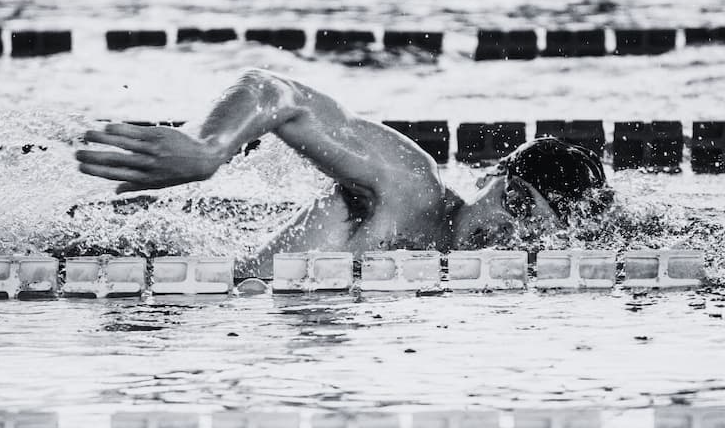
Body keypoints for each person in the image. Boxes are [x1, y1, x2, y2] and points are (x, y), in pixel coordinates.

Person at [76, 69, 611, 277]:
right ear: (493, 175)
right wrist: (206, 149)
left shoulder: (477, 275)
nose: (509, 229)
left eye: (533, 226)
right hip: (160, 274)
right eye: (515, 201)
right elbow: (273, 90)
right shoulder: (409, 185)